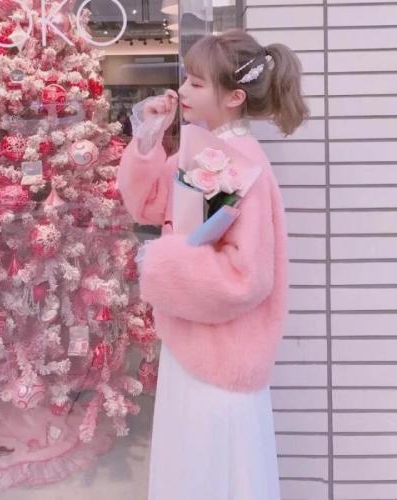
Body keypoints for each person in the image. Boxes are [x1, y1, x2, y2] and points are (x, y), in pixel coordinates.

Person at [117, 28, 309, 500]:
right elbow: (148, 205)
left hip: (221, 357)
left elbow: (246, 277)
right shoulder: (206, 151)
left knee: (209, 473)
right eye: (186, 78)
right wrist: (149, 140)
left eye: (197, 83)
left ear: (234, 97)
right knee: (201, 469)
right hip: (199, 347)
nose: (182, 90)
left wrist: (162, 265)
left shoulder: (240, 163)